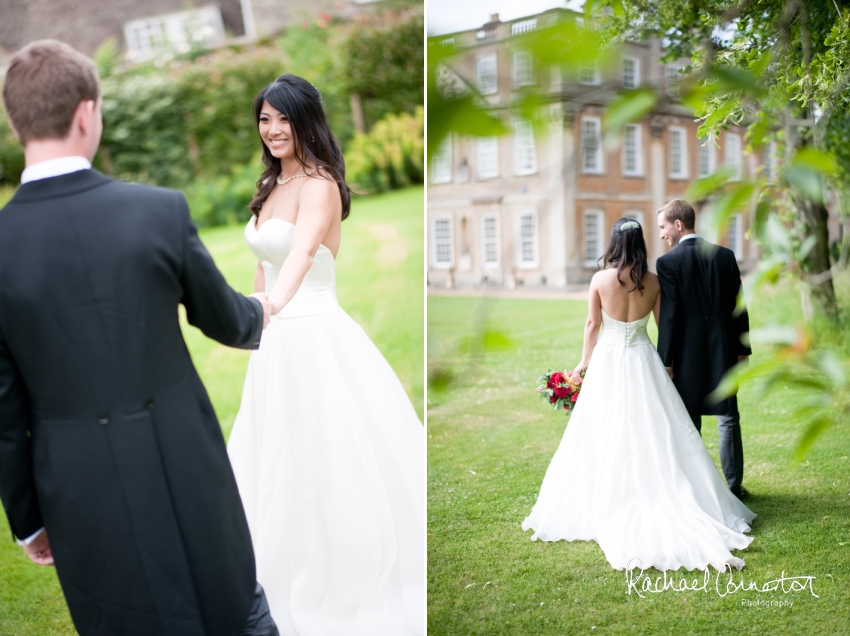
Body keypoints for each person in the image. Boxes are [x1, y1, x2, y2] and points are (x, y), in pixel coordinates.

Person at [0, 40, 279, 636]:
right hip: (185, 459)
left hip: (75, 488)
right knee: (236, 610)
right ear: (86, 113)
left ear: (15, 122)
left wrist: (26, 518)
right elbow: (227, 321)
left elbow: (3, 405)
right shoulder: (158, 211)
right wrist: (262, 308)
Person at [226, 75, 425, 635]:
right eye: (264, 119)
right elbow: (263, 266)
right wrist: (251, 316)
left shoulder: (320, 186)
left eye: (282, 118)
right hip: (275, 345)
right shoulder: (269, 186)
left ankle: (336, 575)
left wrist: (271, 307)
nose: (272, 130)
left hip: (314, 333)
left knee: (323, 457)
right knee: (275, 456)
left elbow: (302, 252)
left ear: (304, 120)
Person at [521, 218, 755, 572]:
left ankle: (610, 493)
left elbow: (592, 325)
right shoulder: (654, 282)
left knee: (603, 426)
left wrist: (583, 364)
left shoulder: (600, 280)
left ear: (614, 242)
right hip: (644, 357)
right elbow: (664, 326)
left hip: (609, 360)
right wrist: (668, 364)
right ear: (642, 243)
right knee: (654, 426)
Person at [656, 199, 752, 499]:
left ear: (678, 225)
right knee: (728, 417)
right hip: (723, 346)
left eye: (662, 227)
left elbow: (670, 316)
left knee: (690, 419)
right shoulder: (725, 255)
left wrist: (666, 360)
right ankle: (734, 486)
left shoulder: (667, 263)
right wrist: (743, 349)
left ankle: (698, 488)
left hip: (687, 354)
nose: (661, 234)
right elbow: (740, 305)